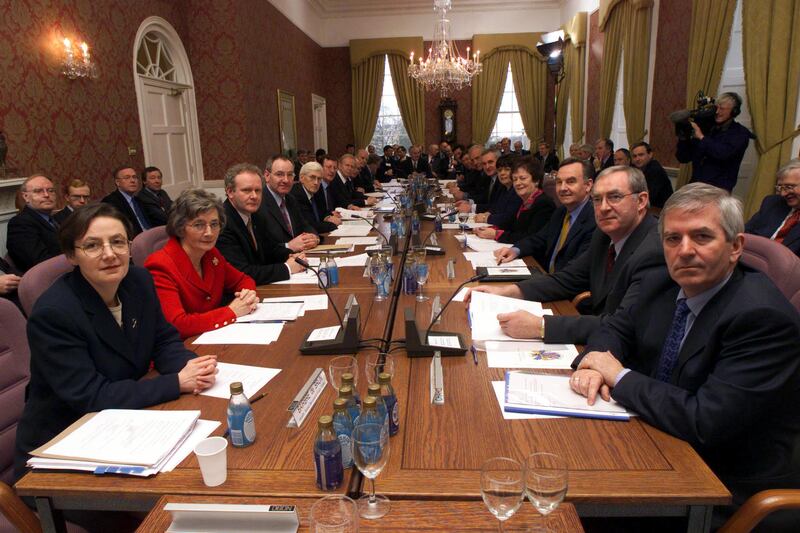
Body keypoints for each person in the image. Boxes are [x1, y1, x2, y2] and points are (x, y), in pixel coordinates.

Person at [572, 183, 800, 530]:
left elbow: (704, 421)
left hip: (721, 482)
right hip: (658, 440)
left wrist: (618, 376)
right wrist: (594, 364)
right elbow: (616, 327)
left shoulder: (763, 318)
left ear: (736, 246)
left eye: (702, 237)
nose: (685, 251)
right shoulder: (663, 282)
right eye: (673, 239)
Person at [14, 202, 218, 479]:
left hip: (125, 420)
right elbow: (91, 396)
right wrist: (176, 382)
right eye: (93, 246)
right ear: (72, 255)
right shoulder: (54, 313)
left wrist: (194, 368)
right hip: (66, 446)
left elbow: (163, 340)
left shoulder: (139, 280)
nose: (110, 254)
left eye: (118, 242)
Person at [469, 165, 664, 345]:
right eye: (597, 199)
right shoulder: (605, 235)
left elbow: (622, 325)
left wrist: (542, 326)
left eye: (614, 197)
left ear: (641, 201)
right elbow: (566, 279)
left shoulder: (653, 250)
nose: (603, 207)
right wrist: (505, 292)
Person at [145, 189, 258, 339]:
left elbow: (244, 280)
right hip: (183, 348)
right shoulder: (160, 265)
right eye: (199, 225)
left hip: (213, 336)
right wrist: (231, 311)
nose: (209, 233)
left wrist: (247, 296)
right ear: (180, 227)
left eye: (214, 224)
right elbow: (177, 324)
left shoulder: (211, 255)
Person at [495, 158, 596, 273]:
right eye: (559, 182)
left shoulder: (595, 220)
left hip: (564, 285)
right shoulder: (562, 211)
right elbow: (540, 238)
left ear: (588, 185)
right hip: (546, 276)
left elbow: (575, 272)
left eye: (570, 181)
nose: (563, 188)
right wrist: (515, 250)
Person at [216, 163, 305, 285]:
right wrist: (287, 268)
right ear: (230, 192)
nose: (254, 196)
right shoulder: (222, 223)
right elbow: (242, 272)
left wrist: (294, 256)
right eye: (247, 190)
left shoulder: (256, 214)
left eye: (258, 190)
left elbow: (270, 249)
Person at [676, 92, 753, 192]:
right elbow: (683, 157)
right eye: (716, 107)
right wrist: (683, 137)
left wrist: (701, 137)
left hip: (718, 191)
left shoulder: (740, 134)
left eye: (722, 108)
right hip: (696, 187)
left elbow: (722, 153)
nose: (717, 112)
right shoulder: (708, 129)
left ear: (734, 111)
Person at [473, 156, 555, 244]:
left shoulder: (543, 203)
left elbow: (530, 238)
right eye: (515, 179)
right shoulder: (526, 201)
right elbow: (513, 227)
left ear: (536, 181)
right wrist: (492, 229)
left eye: (522, 178)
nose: (518, 183)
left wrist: (496, 234)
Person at [260, 155, 320, 252]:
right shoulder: (258, 203)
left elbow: (305, 225)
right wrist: (288, 246)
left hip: (300, 258)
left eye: (290, 175)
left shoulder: (291, 199)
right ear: (267, 176)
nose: (286, 180)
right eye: (279, 174)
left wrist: (314, 237)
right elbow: (262, 248)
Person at [7, 174, 62, 272]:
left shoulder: (56, 219)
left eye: (51, 190)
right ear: (26, 197)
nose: (46, 195)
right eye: (38, 191)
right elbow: (39, 262)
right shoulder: (20, 223)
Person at [745, 158, 800, 255]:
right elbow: (746, 232)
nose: (783, 194)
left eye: (789, 187)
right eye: (780, 187)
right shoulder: (773, 203)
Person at [290, 161, 342, 234]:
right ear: (301, 178)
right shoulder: (296, 195)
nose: (316, 182)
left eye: (319, 179)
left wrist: (327, 217)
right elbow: (310, 225)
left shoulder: (316, 191)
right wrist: (333, 225)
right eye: (312, 177)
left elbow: (323, 212)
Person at [472, 154, 522, 229]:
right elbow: (496, 207)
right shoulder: (503, 188)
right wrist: (488, 213)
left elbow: (509, 218)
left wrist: (486, 218)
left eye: (507, 169)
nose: (502, 173)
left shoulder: (518, 191)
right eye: (499, 170)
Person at [102, 166, 153, 236]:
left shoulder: (138, 200)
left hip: (149, 236)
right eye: (127, 177)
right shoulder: (110, 202)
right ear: (117, 182)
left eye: (134, 177)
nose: (132, 180)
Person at [631, 141, 673, 209]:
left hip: (660, 211)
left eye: (641, 155)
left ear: (650, 154)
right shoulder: (636, 168)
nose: (637, 159)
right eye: (635, 156)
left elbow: (649, 197)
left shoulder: (655, 170)